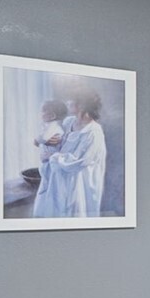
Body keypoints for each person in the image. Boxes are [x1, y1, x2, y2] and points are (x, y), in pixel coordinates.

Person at [35, 84, 108, 218]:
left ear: (81, 105)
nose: (67, 103)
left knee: (74, 214)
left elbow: (82, 161)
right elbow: (54, 138)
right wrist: (46, 145)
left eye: (71, 101)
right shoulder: (69, 122)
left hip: (79, 182)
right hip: (60, 177)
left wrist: (54, 156)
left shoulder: (94, 132)